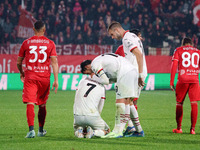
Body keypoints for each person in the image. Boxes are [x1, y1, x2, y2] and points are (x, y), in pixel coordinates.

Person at [81, 53, 144, 138]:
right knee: (129, 102)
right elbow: (111, 78)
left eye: (88, 73)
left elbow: (106, 81)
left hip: (124, 72)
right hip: (132, 70)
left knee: (120, 103)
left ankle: (117, 131)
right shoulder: (101, 59)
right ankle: (139, 130)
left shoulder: (94, 65)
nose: (91, 75)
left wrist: (95, 81)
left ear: (86, 68)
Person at [17, 20, 59, 138]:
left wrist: (21, 72)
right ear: (44, 30)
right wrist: (56, 79)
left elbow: (19, 62)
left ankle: (31, 131)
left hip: (30, 77)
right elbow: (54, 62)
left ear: (33, 29)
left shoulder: (26, 43)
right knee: (42, 104)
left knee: (30, 102)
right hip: (44, 78)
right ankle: (40, 130)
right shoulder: (50, 43)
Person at [107, 21, 146, 137]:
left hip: (134, 72)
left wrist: (139, 75)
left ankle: (124, 129)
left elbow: (138, 54)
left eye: (112, 34)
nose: (113, 37)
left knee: (124, 100)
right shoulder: (133, 36)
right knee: (129, 101)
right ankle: (137, 130)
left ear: (117, 30)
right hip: (135, 72)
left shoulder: (127, 38)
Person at [170, 37, 200, 135]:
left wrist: (171, 82)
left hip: (182, 79)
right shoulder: (198, 51)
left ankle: (179, 128)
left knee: (179, 103)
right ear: (191, 44)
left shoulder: (179, 50)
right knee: (194, 103)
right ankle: (193, 129)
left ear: (183, 44)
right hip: (195, 80)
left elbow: (174, 65)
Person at [73, 60, 110, 138]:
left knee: (76, 130)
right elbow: (100, 107)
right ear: (87, 67)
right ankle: (93, 133)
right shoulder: (101, 85)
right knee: (107, 130)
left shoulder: (82, 81)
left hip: (77, 115)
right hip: (92, 116)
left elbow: (76, 100)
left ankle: (80, 132)